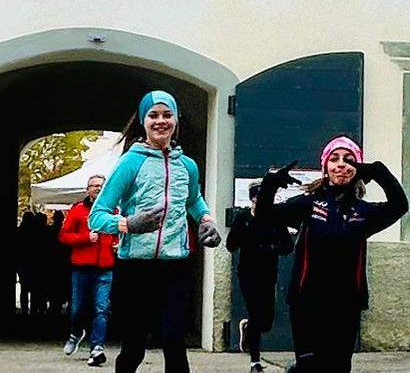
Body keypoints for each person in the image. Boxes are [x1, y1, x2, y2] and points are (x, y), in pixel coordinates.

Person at [88, 90, 222, 373]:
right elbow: (96, 217)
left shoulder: (187, 165)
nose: (161, 121)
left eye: (167, 115)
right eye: (153, 115)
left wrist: (207, 220)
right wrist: (128, 224)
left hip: (175, 266)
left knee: (174, 341)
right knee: (133, 347)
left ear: (176, 120)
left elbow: (193, 200)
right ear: (143, 121)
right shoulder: (130, 163)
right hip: (135, 267)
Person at [256, 135, 409, 373]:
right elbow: (265, 215)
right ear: (325, 167)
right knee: (309, 368)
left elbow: (400, 205)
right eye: (334, 159)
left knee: (337, 367)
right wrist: (270, 184)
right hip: (307, 302)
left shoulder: (363, 212)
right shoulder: (309, 204)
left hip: (346, 305)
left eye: (349, 159)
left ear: (357, 168)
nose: (341, 164)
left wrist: (379, 171)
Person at [226, 181, 294, 372]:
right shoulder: (243, 218)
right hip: (247, 273)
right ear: (252, 199)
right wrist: (242, 235)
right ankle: (255, 362)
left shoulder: (275, 219)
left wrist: (272, 247)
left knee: (265, 322)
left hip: (268, 273)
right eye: (258, 198)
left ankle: (248, 327)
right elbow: (231, 245)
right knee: (256, 313)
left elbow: (288, 246)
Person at [59, 174, 118, 367]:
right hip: (82, 267)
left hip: (105, 267)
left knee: (102, 308)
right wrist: (85, 238)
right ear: (87, 189)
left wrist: (117, 244)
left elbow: (120, 233)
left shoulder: (114, 210)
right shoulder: (78, 210)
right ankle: (76, 333)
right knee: (78, 308)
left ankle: (97, 347)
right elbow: (64, 236)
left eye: (101, 185)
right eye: (94, 185)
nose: (97, 188)